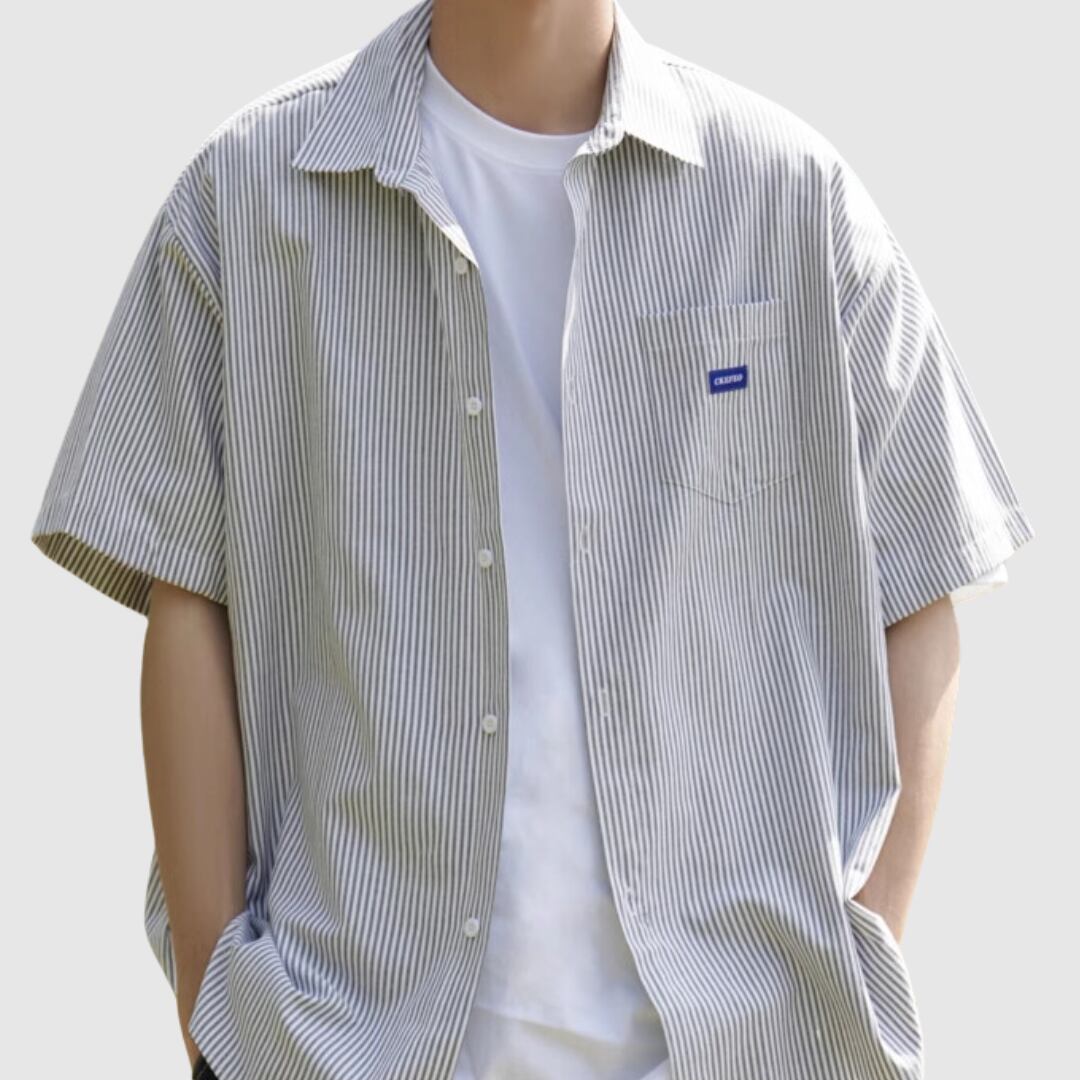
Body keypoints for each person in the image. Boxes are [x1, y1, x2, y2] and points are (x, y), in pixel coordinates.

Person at [29, 0, 1034, 1077]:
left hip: (741, 1043)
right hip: (350, 1041)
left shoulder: (790, 200)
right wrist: (212, 1005)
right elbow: (188, 597)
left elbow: (923, 571)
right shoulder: (245, 197)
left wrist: (864, 951)